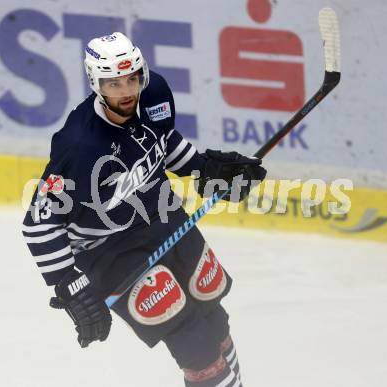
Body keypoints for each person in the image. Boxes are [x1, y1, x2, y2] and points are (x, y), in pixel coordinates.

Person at [22, 32, 266, 387]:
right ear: (96, 82)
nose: (126, 91)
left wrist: (205, 169)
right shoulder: (79, 146)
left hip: (164, 218)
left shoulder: (153, 96)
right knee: (192, 340)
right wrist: (69, 284)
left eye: (132, 79)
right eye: (114, 83)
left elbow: (162, 141)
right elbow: (38, 225)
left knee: (213, 318)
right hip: (109, 250)